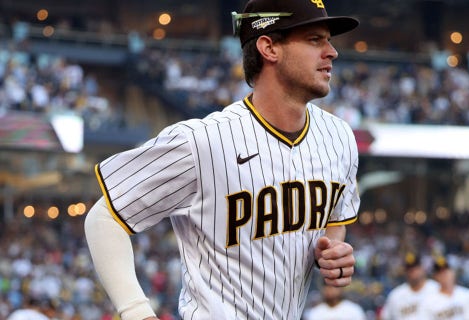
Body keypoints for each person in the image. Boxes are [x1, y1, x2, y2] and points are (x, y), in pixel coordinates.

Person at [84, 0, 361, 319]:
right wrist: (137, 313)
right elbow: (103, 218)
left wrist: (332, 253)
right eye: (315, 40)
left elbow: (335, 222)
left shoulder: (339, 137)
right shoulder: (202, 140)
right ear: (269, 48)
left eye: (328, 40)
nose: (332, 52)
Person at [380, 252, 439, 320]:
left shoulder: (436, 288)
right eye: (409, 269)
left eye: (415, 268)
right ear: (405, 271)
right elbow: (383, 317)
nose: (413, 271)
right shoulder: (396, 295)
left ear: (422, 268)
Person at [417, 256, 469, 320]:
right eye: (440, 273)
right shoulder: (428, 302)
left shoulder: (467, 294)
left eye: (446, 271)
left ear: (453, 272)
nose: (444, 275)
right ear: (435, 277)